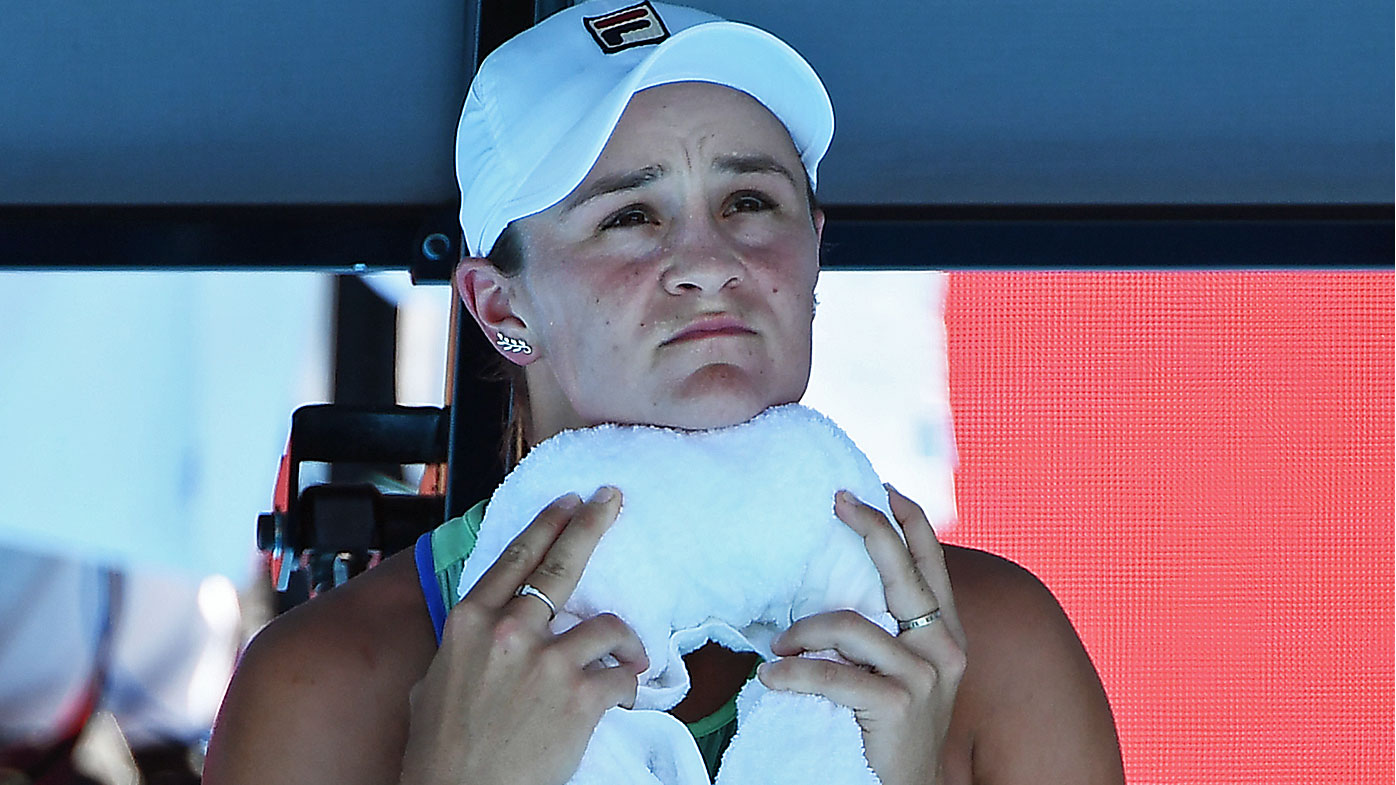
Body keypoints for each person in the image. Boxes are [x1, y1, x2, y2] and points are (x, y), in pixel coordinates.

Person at [203, 2, 1124, 783]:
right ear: (499, 303)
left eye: (751, 202)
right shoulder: (324, 684)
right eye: (630, 216)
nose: (709, 263)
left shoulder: (998, 650)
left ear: (812, 257)